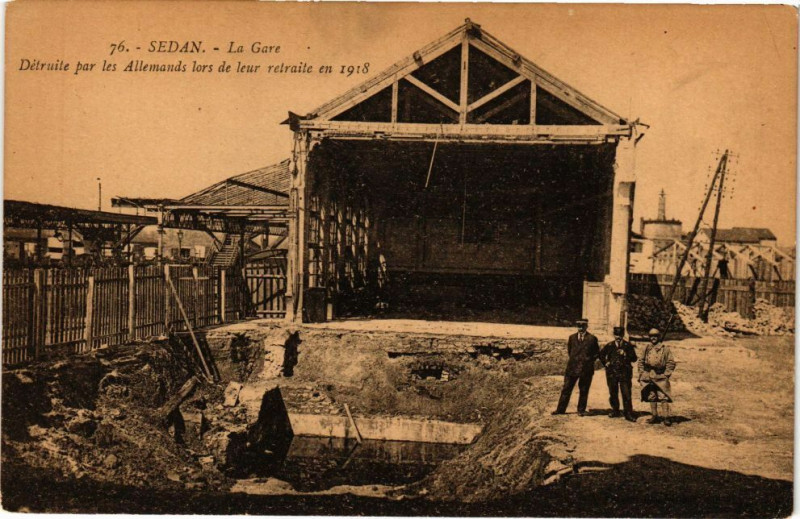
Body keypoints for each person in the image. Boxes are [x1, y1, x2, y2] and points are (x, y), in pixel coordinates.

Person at [552, 318, 599, 416]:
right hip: (572, 368)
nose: (580, 328)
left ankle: (581, 410)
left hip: (586, 370)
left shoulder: (592, 338)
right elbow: (570, 351)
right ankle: (560, 410)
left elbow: (596, 353)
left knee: (584, 390)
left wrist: (588, 361)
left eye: (582, 326)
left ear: (586, 326)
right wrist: (575, 361)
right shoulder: (572, 337)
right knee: (566, 389)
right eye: (579, 326)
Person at [638, 328, 676, 426]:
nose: (653, 338)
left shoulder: (665, 349)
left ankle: (666, 417)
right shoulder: (647, 348)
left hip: (660, 376)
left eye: (655, 336)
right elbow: (641, 361)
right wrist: (642, 372)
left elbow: (671, 362)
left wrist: (666, 374)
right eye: (651, 336)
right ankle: (654, 416)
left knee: (663, 396)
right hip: (649, 375)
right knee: (652, 396)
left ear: (658, 337)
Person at [599, 326, 637, 422]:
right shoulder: (610, 345)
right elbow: (601, 355)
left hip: (625, 373)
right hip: (612, 373)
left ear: (623, 335)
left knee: (626, 393)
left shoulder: (628, 346)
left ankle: (628, 413)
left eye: (620, 335)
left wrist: (625, 354)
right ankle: (615, 410)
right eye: (616, 335)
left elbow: (634, 358)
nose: (618, 337)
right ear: (614, 335)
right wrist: (605, 362)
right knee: (613, 392)